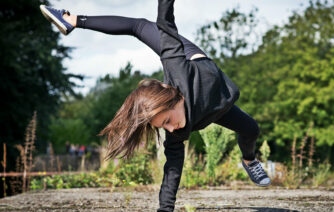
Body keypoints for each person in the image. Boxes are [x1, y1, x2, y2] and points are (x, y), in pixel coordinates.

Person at [40, 1, 271, 211]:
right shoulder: (177, 132)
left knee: (251, 129)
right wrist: (165, 210)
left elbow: (165, 18)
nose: (171, 129)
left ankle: (249, 160)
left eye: (167, 121)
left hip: (200, 76)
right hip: (207, 110)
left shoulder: (176, 63)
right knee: (244, 129)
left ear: (172, 99)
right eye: (163, 127)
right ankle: (72, 21)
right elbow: (172, 171)